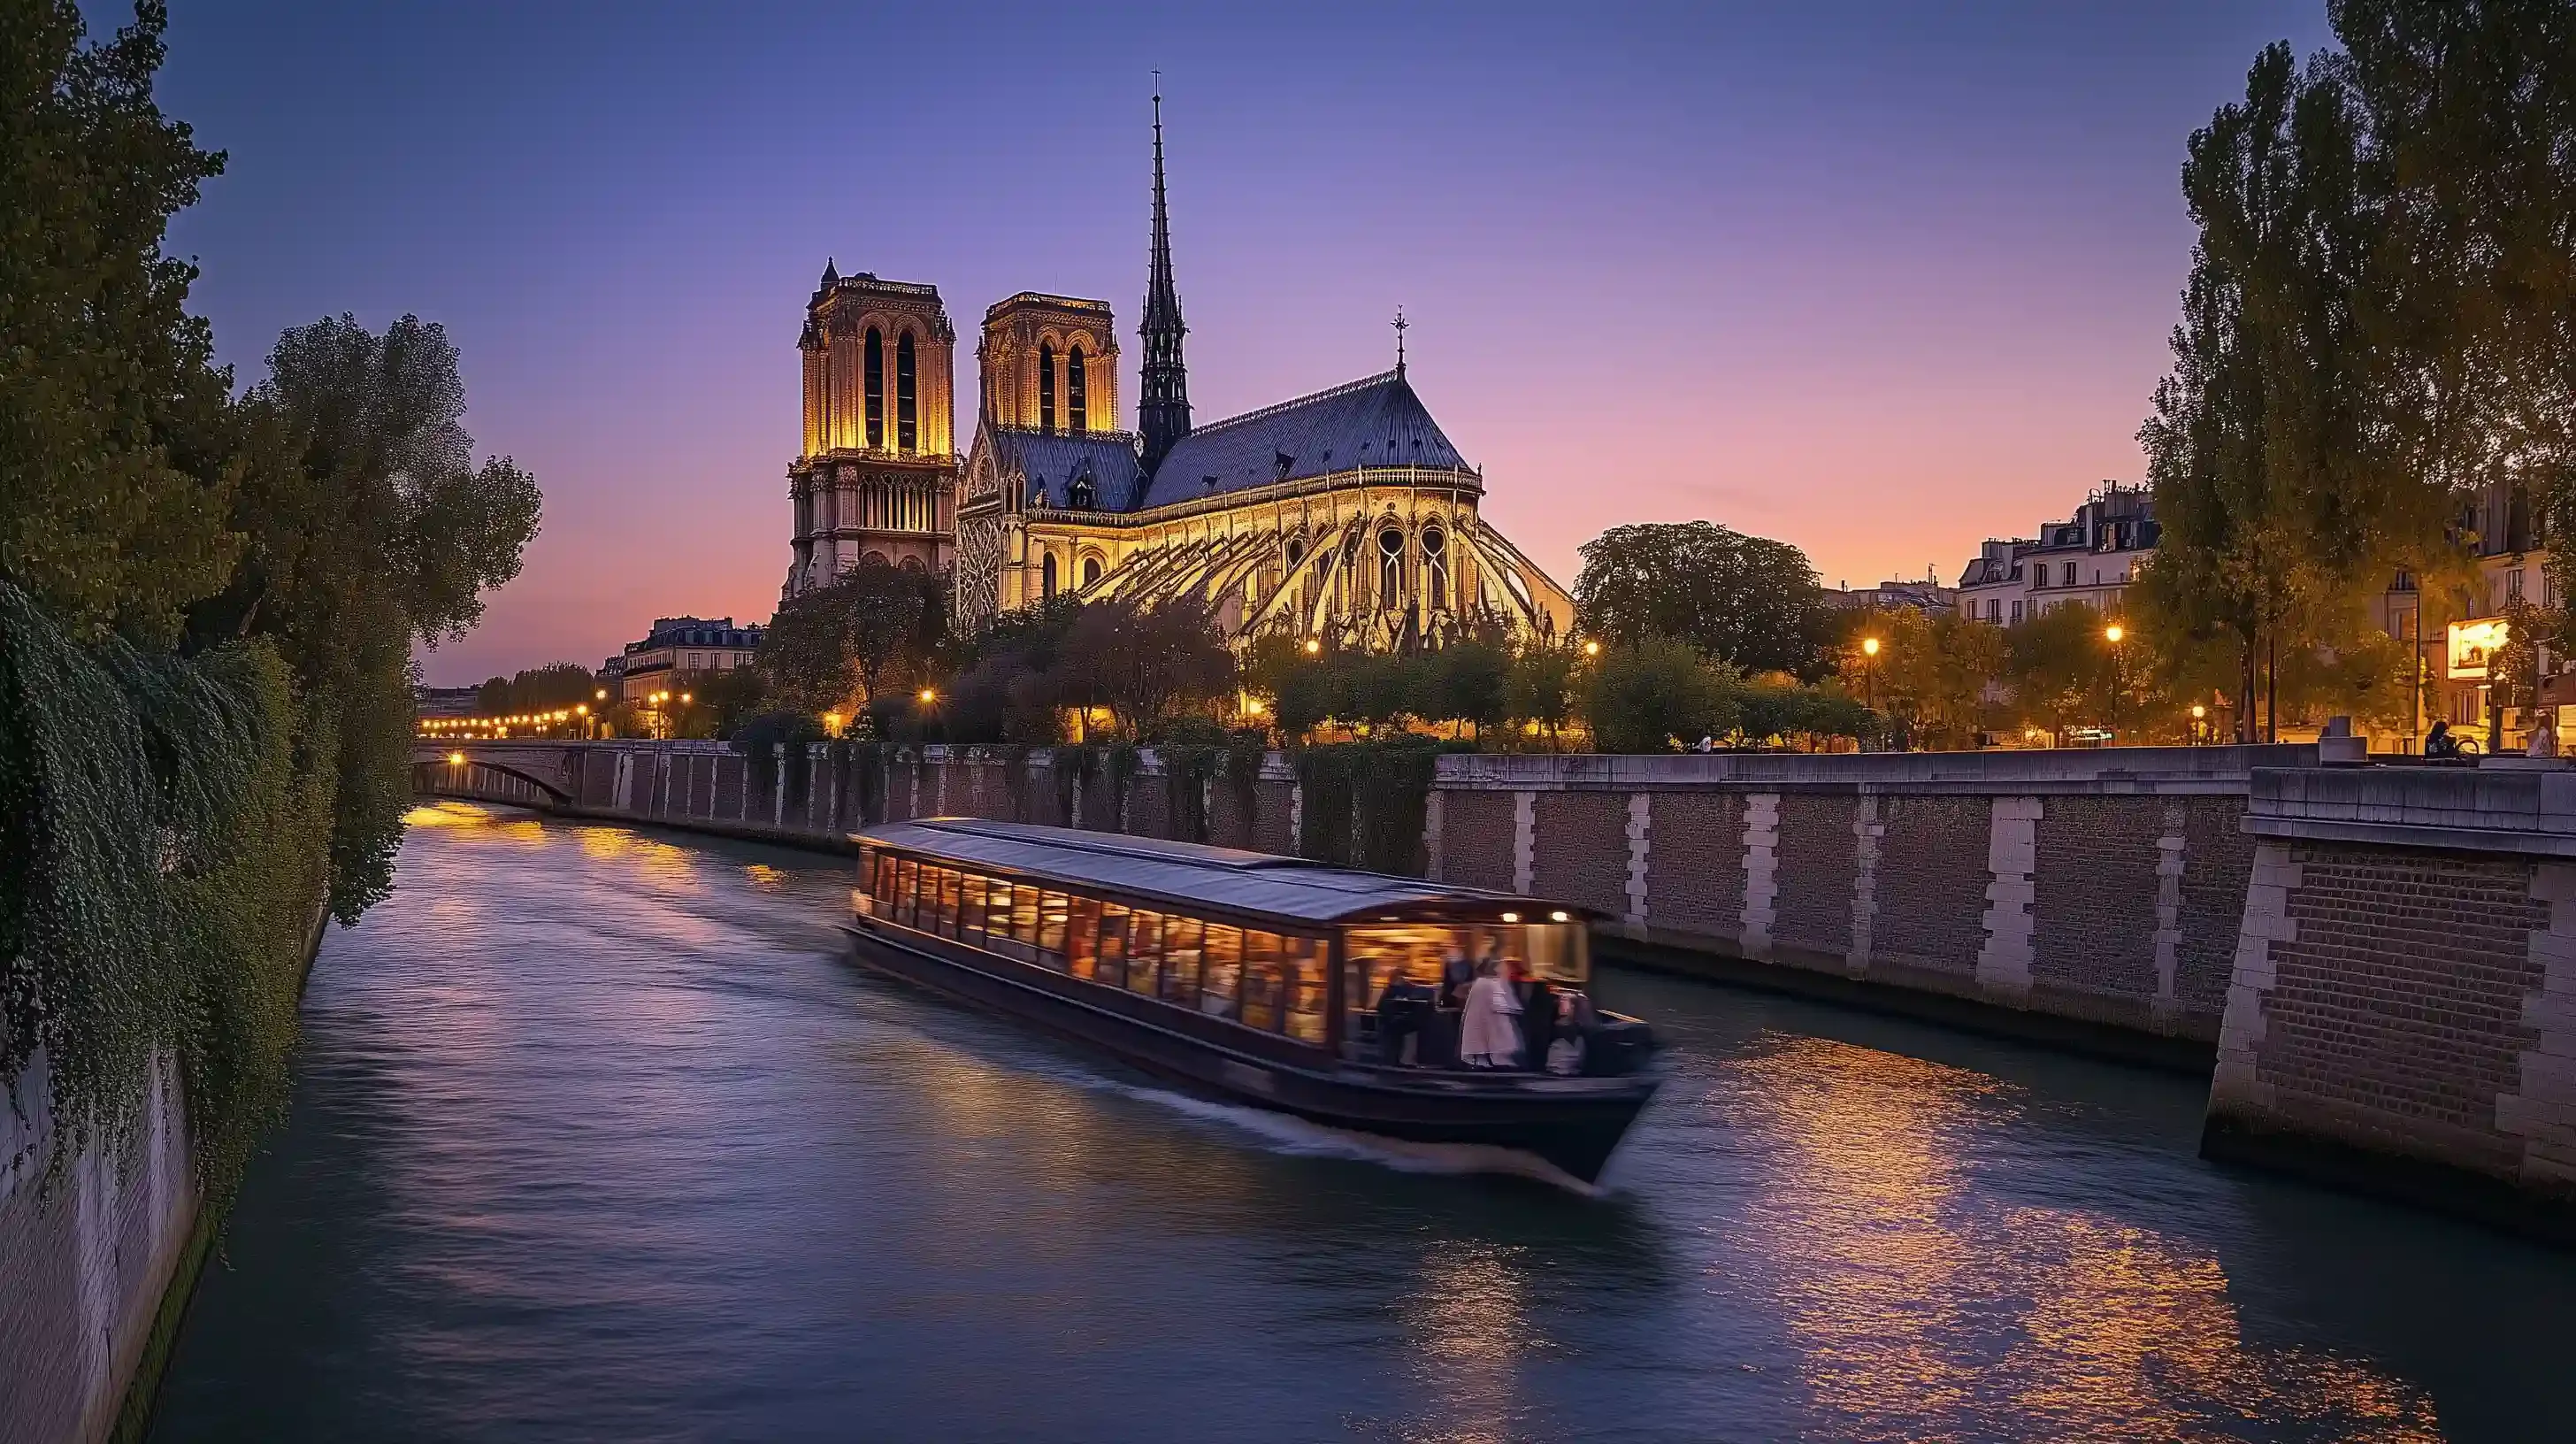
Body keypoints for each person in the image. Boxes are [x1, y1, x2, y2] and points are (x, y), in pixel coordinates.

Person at [1460, 957, 1524, 1069]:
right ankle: (1494, 1060)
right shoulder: (1493, 983)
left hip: (1480, 1016)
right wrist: (1512, 1008)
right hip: (1489, 1017)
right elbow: (1500, 1002)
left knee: (1479, 1036)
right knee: (1492, 1036)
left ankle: (1481, 1060)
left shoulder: (1481, 983)